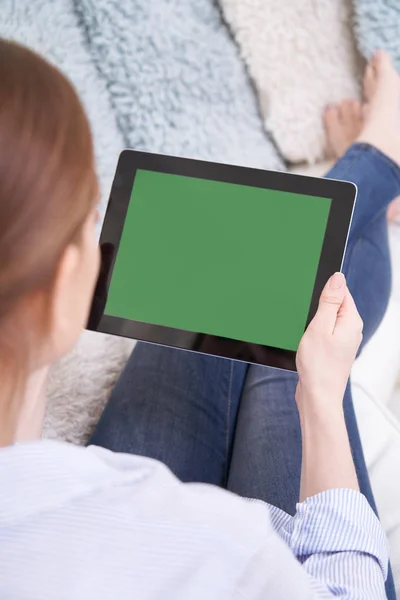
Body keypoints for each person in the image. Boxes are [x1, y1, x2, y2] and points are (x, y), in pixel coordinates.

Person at [0, 38, 398, 600]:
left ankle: (376, 172)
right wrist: (323, 400)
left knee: (214, 299)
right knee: (284, 334)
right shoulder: (227, 544)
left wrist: (32, 340)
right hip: (226, 558)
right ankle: (378, 163)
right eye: (86, 223)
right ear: (58, 279)